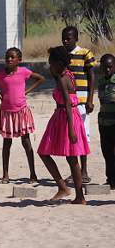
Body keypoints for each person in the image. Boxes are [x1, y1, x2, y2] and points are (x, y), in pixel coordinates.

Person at [0, 47, 45, 184]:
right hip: (6, 113)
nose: (9, 59)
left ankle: (33, 174)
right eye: (7, 57)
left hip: (21, 111)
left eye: (12, 57)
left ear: (19, 60)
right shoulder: (0, 74)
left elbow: (41, 79)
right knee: (7, 143)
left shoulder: (24, 72)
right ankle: (5, 175)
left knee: (26, 142)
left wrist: (27, 91)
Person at [38, 46, 90, 205]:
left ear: (59, 63)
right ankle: (76, 194)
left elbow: (67, 103)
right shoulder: (67, 74)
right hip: (66, 116)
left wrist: (72, 129)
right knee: (71, 158)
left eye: (51, 63)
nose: (49, 66)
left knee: (45, 152)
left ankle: (64, 187)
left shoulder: (62, 78)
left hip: (66, 117)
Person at [62, 26, 97, 183]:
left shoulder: (84, 53)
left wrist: (90, 99)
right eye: (63, 38)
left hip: (82, 102)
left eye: (68, 38)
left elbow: (92, 77)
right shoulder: (62, 55)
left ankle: (84, 171)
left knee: (83, 135)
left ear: (76, 38)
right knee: (72, 136)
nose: (65, 41)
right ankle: (75, 171)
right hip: (68, 103)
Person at [98, 54, 115, 190]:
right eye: (104, 68)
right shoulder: (101, 81)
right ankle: (110, 179)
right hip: (103, 122)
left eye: (110, 67)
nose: (107, 70)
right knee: (106, 152)